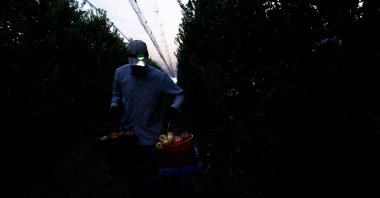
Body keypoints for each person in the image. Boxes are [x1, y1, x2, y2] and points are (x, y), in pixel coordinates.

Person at [108, 39, 185, 197]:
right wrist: (114, 106)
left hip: (151, 135)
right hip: (128, 135)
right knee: (132, 174)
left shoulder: (159, 78)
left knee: (151, 176)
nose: (137, 69)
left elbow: (179, 94)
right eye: (134, 66)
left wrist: (173, 108)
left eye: (140, 65)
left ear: (147, 57)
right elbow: (116, 93)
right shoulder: (120, 73)